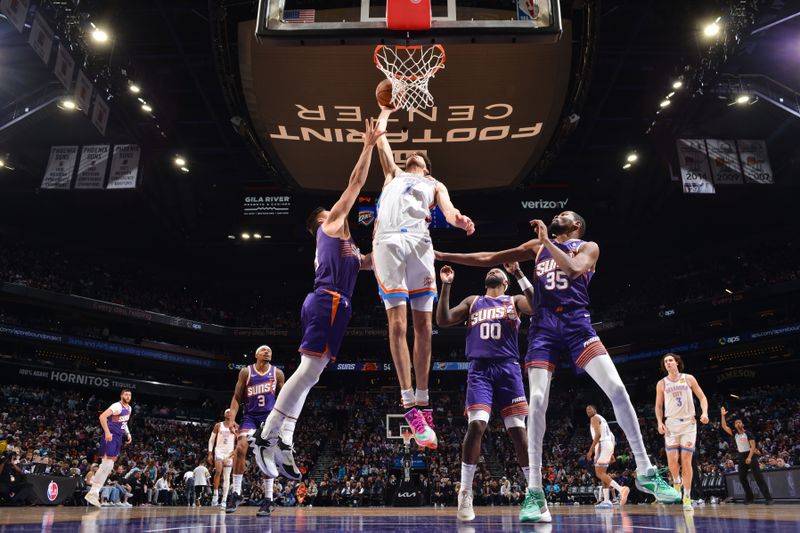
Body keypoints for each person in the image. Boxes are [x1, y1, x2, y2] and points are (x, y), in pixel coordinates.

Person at [435, 212, 680, 522]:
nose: (556, 216)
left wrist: (546, 241)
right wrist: (442, 254)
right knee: (536, 402)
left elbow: (575, 269)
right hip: (544, 328)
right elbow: (489, 256)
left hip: (577, 322)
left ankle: (645, 470)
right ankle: (535, 493)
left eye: (564, 214)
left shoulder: (587, 247)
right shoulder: (533, 249)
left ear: (576, 224)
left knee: (616, 388)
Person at [255, 120, 382, 477]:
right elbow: (356, 184)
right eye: (334, 211)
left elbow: (368, 263)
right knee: (307, 370)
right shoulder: (328, 228)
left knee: (312, 374)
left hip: (340, 305)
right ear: (324, 221)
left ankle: (286, 440)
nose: (339, 214)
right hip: (326, 301)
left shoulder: (347, 248)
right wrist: (368, 145)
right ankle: (266, 437)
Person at [371, 105, 475, 449]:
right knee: (398, 326)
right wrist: (384, 111)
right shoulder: (393, 174)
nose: (414, 156)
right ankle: (408, 403)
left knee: (424, 330)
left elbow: (448, 209)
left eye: (420, 157)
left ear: (427, 167)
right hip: (388, 241)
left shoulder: (435, 184)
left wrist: (458, 220)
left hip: (420, 244)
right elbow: (381, 141)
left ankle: (424, 398)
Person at [436, 263, 533, 522]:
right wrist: (446, 285)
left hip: (508, 370)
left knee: (517, 430)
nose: (493, 270)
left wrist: (520, 273)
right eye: (490, 271)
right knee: (476, 425)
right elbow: (443, 320)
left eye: (498, 272)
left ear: (505, 282)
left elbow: (536, 307)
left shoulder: (515, 299)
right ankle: (465, 492)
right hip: (479, 370)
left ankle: (534, 491)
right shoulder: (473, 301)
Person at [226, 344, 284, 517]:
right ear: (256, 354)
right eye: (264, 350)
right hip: (250, 417)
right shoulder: (246, 372)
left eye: (270, 351)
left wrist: (284, 422)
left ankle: (268, 498)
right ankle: (236, 493)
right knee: (240, 448)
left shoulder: (277, 373)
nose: (267, 351)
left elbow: (285, 399)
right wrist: (231, 419)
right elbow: (237, 397)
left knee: (266, 455)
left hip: (269, 418)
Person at [654, 353, 709, 511]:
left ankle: (687, 496)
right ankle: (677, 482)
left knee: (686, 461)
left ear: (677, 362)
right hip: (671, 424)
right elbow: (658, 406)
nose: (668, 363)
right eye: (665, 361)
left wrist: (704, 413)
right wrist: (659, 422)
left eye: (670, 360)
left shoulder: (689, 378)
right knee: (672, 461)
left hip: (688, 424)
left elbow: (702, 397)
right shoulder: (661, 383)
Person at [85, 389, 133, 508]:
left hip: (118, 438)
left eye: (130, 395)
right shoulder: (117, 405)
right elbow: (102, 417)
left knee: (110, 466)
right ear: (121, 395)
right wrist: (107, 432)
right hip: (110, 436)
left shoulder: (129, 408)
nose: (128, 396)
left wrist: (128, 434)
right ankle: (93, 492)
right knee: (106, 465)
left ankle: (93, 492)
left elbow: (124, 422)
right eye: (126, 394)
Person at [720, 406, 773, 504]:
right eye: (736, 423)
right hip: (741, 456)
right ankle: (750, 497)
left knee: (758, 477)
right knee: (742, 478)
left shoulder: (748, 433)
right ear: (735, 426)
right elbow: (724, 426)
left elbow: (753, 446)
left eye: (739, 422)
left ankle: (768, 498)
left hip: (750, 456)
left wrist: (749, 457)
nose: (738, 424)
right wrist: (723, 416)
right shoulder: (735, 433)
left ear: (742, 424)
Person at [585, 404, 629, 509]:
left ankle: (621, 489)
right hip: (608, 444)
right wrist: (612, 452)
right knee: (603, 474)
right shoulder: (602, 419)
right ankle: (606, 500)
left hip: (602, 444)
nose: (588, 411)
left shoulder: (594, 418)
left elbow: (598, 435)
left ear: (595, 410)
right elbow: (612, 436)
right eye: (586, 410)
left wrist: (590, 451)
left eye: (590, 409)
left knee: (599, 473)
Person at [208, 409, 237, 508]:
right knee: (218, 471)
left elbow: (242, 440)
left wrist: (236, 450)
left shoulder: (235, 426)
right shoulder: (218, 425)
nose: (229, 413)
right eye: (227, 411)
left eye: (230, 412)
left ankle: (224, 500)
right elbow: (211, 440)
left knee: (227, 477)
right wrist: (210, 453)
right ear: (224, 414)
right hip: (219, 451)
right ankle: (215, 496)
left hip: (229, 454)